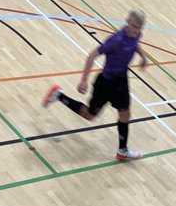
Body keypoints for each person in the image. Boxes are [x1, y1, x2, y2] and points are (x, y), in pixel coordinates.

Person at [41, 9, 147, 162]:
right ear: (127, 22)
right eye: (134, 26)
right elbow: (92, 56)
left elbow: (135, 44)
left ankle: (122, 151)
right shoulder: (115, 40)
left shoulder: (136, 34)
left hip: (121, 80)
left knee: (125, 114)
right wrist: (84, 79)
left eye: (139, 27)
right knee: (89, 115)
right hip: (106, 83)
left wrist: (143, 57)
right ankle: (58, 95)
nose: (136, 30)